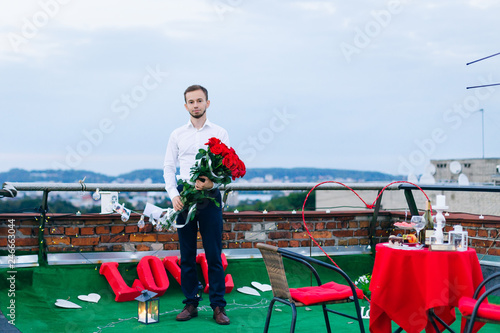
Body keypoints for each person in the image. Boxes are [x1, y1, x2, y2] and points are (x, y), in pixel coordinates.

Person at [163, 84, 230, 325]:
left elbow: (226, 168)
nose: (196, 105)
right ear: (185, 106)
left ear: (207, 103)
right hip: (184, 197)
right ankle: (190, 303)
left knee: (214, 254)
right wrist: (173, 194)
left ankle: (218, 307)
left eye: (199, 101)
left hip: (210, 198)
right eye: (191, 102)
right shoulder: (177, 134)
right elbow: (169, 167)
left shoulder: (220, 132)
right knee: (187, 254)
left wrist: (212, 183)